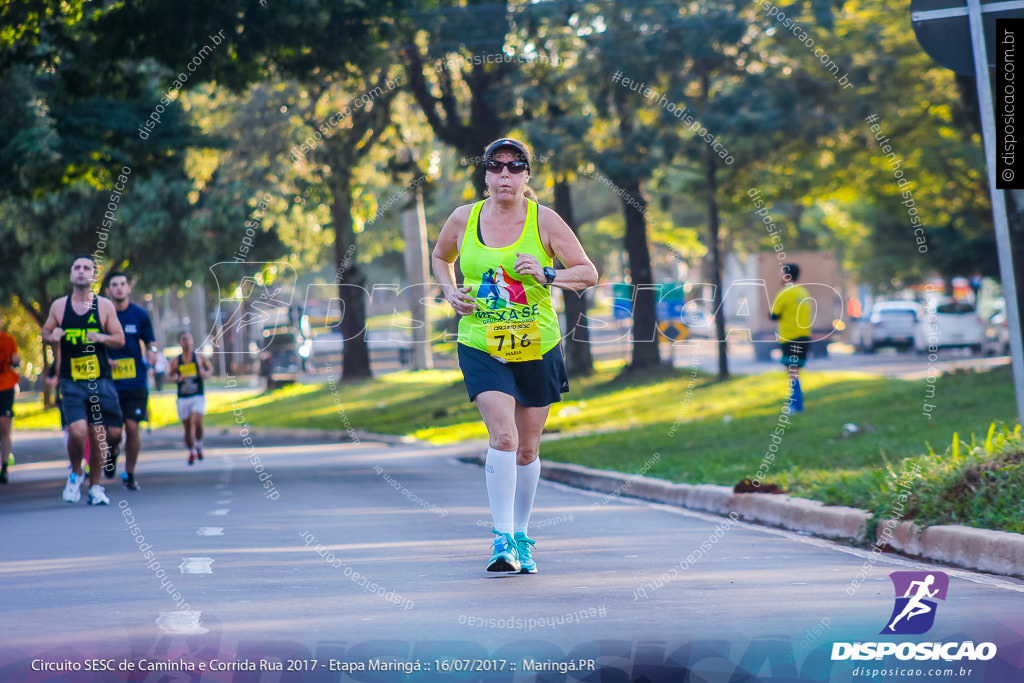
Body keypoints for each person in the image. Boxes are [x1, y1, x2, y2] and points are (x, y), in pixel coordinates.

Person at [432, 137, 598, 573]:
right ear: (485, 175)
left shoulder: (545, 220)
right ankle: (502, 539)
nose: (505, 175)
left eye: (514, 167)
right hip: (480, 342)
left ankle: (521, 536)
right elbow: (440, 257)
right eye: (496, 167)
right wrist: (451, 292)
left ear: (526, 175)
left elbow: (588, 273)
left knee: (526, 449)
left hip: (537, 344)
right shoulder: (462, 219)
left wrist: (548, 273)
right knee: (503, 438)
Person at [40, 256, 125, 505]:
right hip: (71, 380)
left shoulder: (105, 306)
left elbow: (119, 339)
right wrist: (51, 334)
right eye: (76, 267)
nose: (81, 271)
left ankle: (96, 487)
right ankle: (76, 473)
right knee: (77, 432)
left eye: (87, 268)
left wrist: (100, 337)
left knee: (99, 434)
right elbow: (45, 332)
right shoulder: (59, 306)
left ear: (93, 276)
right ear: (71, 275)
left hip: (99, 381)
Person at [102, 272, 159, 490]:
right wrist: (106, 359)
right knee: (113, 433)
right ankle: (112, 452)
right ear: (108, 291)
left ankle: (130, 473)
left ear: (128, 288)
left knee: (133, 428)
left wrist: (153, 352)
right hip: (110, 384)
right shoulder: (101, 316)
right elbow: (94, 345)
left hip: (135, 383)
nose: (118, 288)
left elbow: (150, 341)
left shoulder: (140, 315)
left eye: (122, 284)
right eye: (114, 285)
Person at [770, 262, 813, 413]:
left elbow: (773, 315)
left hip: (789, 338)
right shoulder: (804, 292)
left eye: (781, 273)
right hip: (805, 337)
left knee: (792, 372)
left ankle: (796, 405)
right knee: (796, 372)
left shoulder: (784, 293)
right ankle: (795, 403)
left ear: (786, 275)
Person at [167, 332, 212, 464]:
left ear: (192, 341)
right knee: (187, 428)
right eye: (183, 339)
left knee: (197, 421)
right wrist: (177, 378)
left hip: (197, 394)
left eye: (188, 339)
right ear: (180, 343)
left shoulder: (199, 358)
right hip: (183, 397)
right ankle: (191, 450)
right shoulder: (176, 361)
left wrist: (205, 373)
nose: (186, 341)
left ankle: (199, 444)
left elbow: (210, 369)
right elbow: (169, 376)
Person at [0, 312, 20, 484]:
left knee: (5, 425)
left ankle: (5, 465)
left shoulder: (8, 340)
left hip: (6, 386)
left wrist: (16, 360)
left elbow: (16, 362)